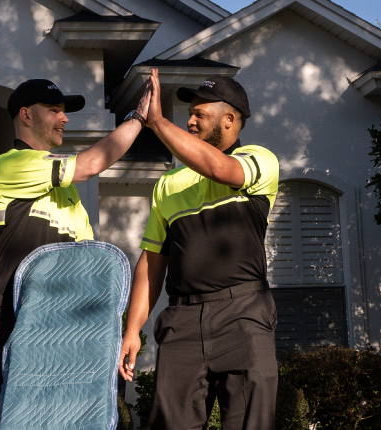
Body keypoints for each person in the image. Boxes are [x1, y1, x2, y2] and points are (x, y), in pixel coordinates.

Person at [0, 77, 153, 429]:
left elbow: (90, 276)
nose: (64, 118)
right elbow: (91, 164)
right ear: (26, 115)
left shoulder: (68, 194)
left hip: (64, 323)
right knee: (11, 419)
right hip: (8, 315)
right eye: (54, 110)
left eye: (64, 111)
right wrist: (138, 119)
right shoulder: (6, 165)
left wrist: (109, 335)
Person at [118, 70, 281, 430]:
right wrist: (133, 329)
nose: (190, 120)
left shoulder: (259, 160)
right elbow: (152, 261)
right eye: (189, 113)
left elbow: (220, 169)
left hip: (244, 315)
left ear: (230, 119)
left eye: (200, 115)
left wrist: (157, 122)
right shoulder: (168, 184)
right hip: (183, 322)